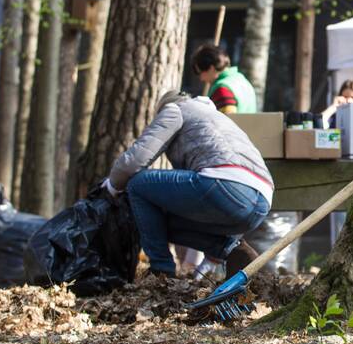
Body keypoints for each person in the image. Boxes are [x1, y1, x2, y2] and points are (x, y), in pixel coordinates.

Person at [103, 91, 270, 278]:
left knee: (137, 185)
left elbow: (137, 158)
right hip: (261, 201)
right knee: (157, 220)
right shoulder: (215, 117)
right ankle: (233, 250)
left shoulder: (175, 110)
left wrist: (113, 185)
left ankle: (161, 270)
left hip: (225, 184)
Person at [191, 44, 257, 114]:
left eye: (199, 73)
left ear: (211, 68)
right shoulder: (242, 80)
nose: (201, 79)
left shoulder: (222, 89)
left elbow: (226, 121)